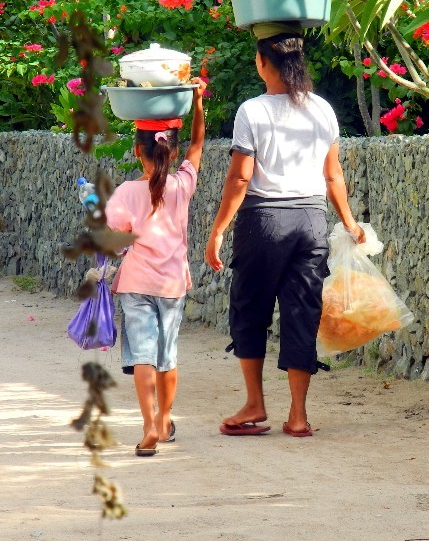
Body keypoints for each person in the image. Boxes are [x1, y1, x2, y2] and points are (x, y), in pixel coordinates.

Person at [205, 24, 365, 438]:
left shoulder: (252, 111)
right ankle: (298, 415)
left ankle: (255, 403)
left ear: (262, 63)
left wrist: (219, 229)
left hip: (264, 221)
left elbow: (241, 179)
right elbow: (333, 176)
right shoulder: (322, 109)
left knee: (250, 307)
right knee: (301, 312)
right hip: (311, 221)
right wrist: (348, 223)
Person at [106, 77, 206, 456]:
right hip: (172, 286)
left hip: (135, 284)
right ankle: (165, 421)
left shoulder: (126, 192)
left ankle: (148, 425)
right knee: (168, 355)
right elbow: (198, 144)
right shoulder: (182, 185)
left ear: (137, 150)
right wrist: (197, 103)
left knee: (143, 354)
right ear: (173, 151)